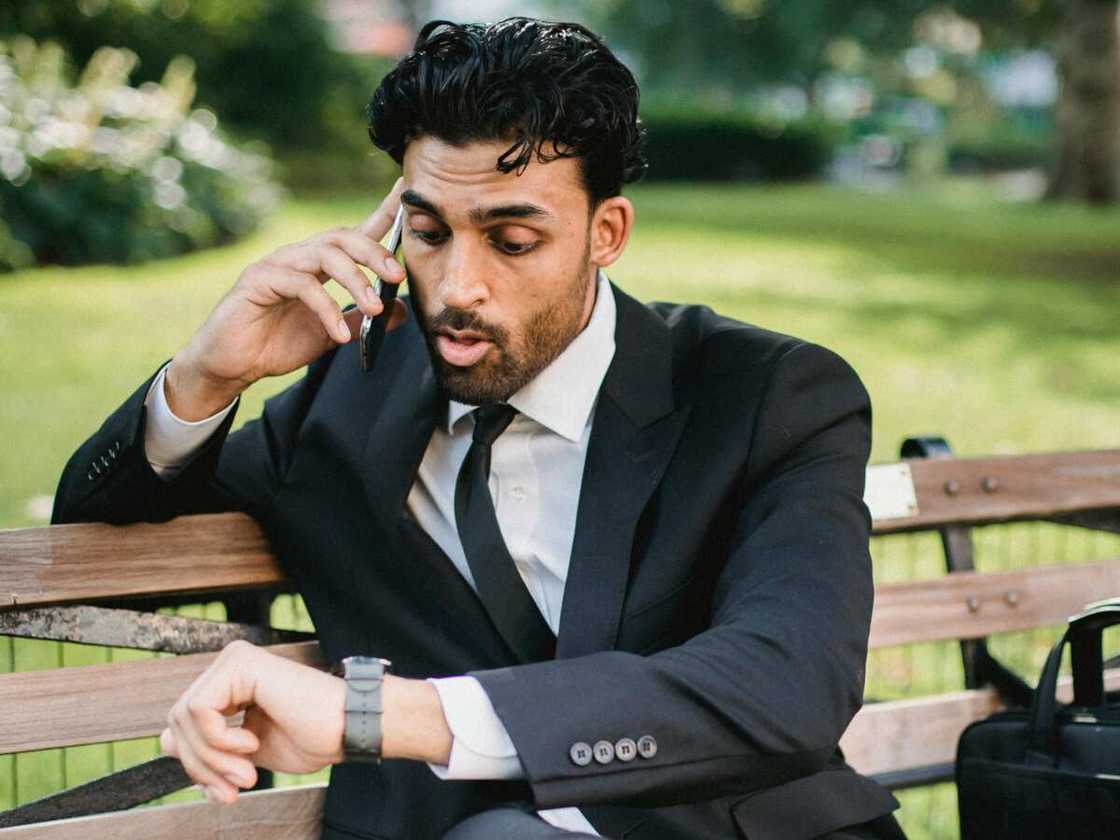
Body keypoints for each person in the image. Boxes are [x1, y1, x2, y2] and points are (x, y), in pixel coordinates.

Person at [51, 17, 906, 840]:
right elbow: (92, 563)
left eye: (512, 240)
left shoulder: (765, 396)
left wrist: (382, 716)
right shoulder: (344, 400)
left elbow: (789, 683)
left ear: (604, 233)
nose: (459, 285)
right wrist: (209, 373)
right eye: (428, 232)